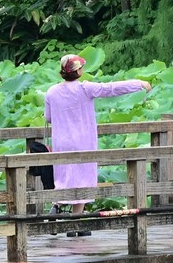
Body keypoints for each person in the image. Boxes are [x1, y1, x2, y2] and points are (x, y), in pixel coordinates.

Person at [44, 54, 151, 236]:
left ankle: (58, 207)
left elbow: (48, 117)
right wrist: (138, 83)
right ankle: (75, 222)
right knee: (83, 178)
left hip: (62, 142)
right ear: (77, 71)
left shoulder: (52, 92)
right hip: (83, 140)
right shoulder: (85, 88)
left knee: (65, 178)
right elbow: (111, 89)